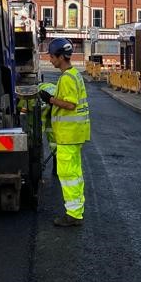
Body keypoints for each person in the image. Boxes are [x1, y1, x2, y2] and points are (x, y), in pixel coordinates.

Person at [39, 37, 90, 227]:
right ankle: (77, 210)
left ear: (61, 57)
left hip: (68, 135)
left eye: (52, 57)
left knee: (68, 175)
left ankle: (73, 215)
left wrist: (50, 99)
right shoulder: (75, 74)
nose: (50, 60)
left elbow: (70, 104)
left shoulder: (67, 78)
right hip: (75, 133)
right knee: (75, 175)